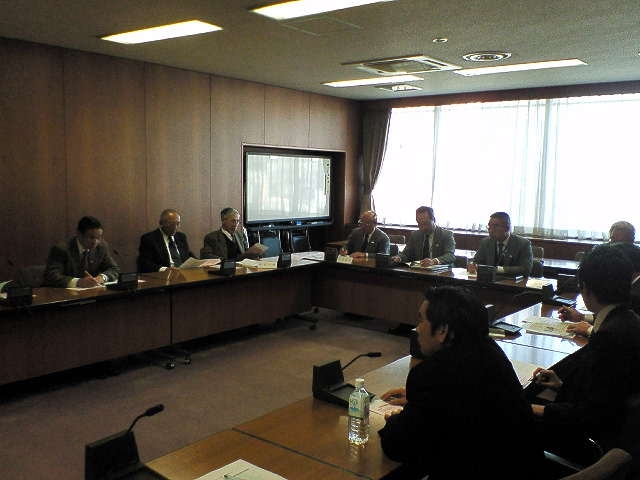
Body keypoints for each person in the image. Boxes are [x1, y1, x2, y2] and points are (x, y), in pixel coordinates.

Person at [378, 286, 543, 480]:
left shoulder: (431, 374)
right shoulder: (492, 351)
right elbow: (462, 402)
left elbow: (399, 447)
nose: (417, 329)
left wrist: (395, 421)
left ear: (442, 330)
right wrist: (422, 402)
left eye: (421, 320)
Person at [527, 245, 640, 463]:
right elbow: (606, 391)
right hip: (620, 429)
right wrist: (562, 385)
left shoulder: (609, 336)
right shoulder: (628, 319)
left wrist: (529, 408)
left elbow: (589, 415)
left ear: (585, 289)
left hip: (592, 440)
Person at [559, 242, 640, 336]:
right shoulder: (626, 312)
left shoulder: (636, 294)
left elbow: (616, 331)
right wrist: (582, 317)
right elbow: (613, 317)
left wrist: (589, 330)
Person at [44, 216, 120, 288]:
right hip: (64, 294)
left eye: (98, 237)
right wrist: (78, 282)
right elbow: (51, 276)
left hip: (92, 293)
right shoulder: (62, 249)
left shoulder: (101, 247)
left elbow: (114, 268)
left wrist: (102, 277)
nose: (95, 242)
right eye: (91, 237)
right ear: (79, 234)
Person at [471, 211, 532, 276]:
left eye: (495, 226)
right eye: (489, 226)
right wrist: (473, 266)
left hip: (511, 280)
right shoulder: (486, 242)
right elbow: (476, 262)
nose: (490, 230)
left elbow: (526, 269)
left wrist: (499, 270)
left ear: (507, 228)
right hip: (488, 280)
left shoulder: (523, 244)